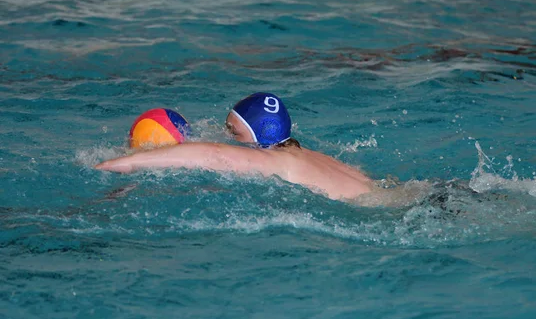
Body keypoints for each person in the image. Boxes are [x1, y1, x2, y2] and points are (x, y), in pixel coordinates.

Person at [95, 92, 376, 201]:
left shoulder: (275, 161)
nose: (226, 138)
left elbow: (211, 154)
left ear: (259, 136)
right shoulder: (309, 155)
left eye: (233, 132)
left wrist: (126, 162)